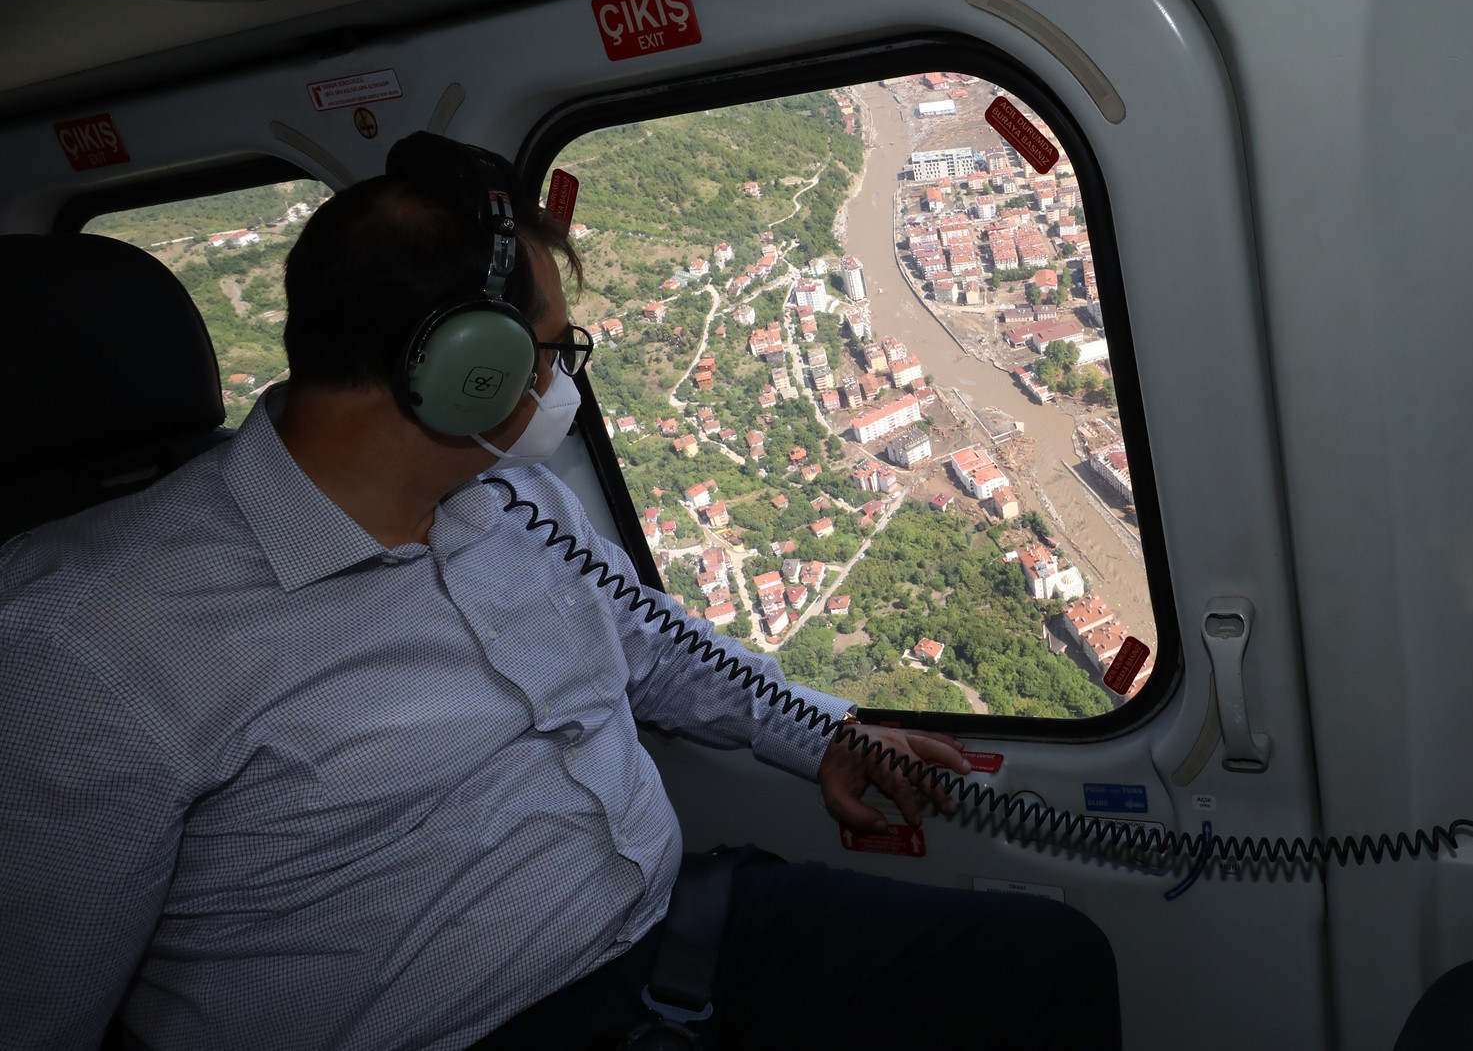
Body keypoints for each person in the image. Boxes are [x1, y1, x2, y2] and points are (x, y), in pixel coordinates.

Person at [0, 136, 1121, 1050]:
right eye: (551, 345)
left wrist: (826, 734)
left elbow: (662, 652)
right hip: (467, 1028)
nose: (561, 376)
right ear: (463, 366)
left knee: (1045, 965)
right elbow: (37, 1004)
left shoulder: (508, 498)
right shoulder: (87, 642)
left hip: (677, 940)